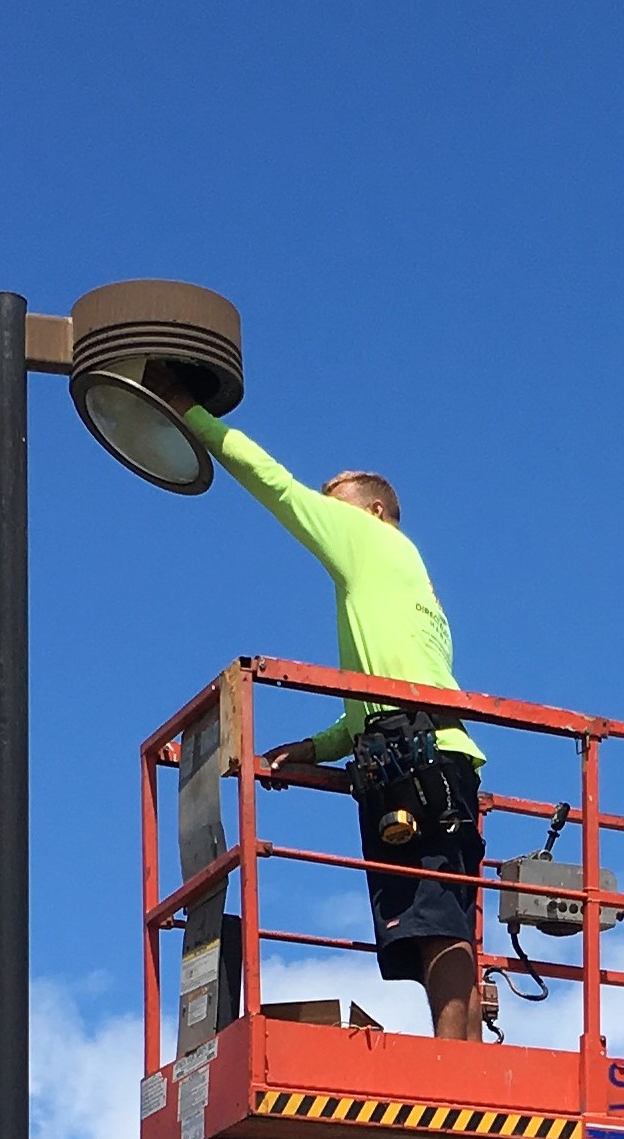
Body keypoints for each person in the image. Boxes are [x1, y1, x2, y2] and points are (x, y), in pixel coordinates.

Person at [150, 372, 486, 1041]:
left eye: (336, 509)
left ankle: (456, 1063)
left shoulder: (373, 543)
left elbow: (275, 484)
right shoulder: (402, 588)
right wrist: (313, 748)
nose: (323, 518)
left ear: (374, 513)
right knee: (431, 923)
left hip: (418, 761)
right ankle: (460, 1056)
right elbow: (378, 700)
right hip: (416, 752)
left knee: (436, 922)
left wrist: (190, 415)